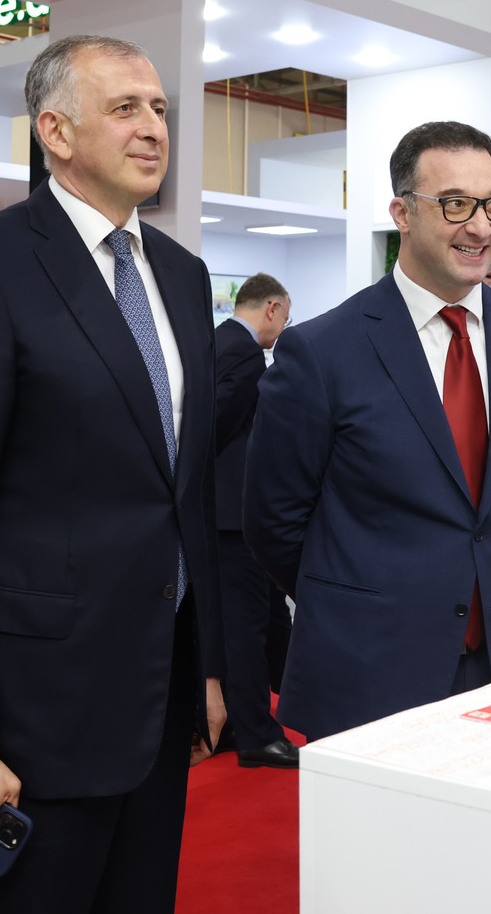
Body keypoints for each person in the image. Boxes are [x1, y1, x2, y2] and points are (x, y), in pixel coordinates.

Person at [0, 35, 227, 910]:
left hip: (154, 708)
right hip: (24, 729)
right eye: (125, 108)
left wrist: (206, 671)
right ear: (56, 132)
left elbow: (186, 495)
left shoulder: (182, 276)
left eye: (159, 109)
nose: (153, 127)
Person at [245, 121, 491, 739]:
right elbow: (273, 520)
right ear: (402, 213)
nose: (480, 226)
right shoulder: (321, 352)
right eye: (455, 204)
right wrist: (364, 594)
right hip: (370, 670)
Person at [212, 273, 296, 769]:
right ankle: (255, 734)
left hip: (226, 517)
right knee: (247, 627)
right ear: (271, 308)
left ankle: (244, 722)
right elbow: (213, 427)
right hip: (233, 518)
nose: (284, 328)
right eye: (285, 316)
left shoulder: (218, 340)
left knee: (264, 618)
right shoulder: (244, 353)